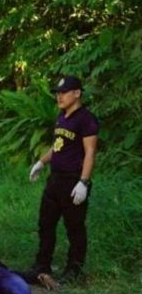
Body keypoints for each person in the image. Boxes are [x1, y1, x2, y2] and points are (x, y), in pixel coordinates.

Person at [28, 76, 98, 282]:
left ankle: (74, 270)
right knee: (46, 223)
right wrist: (41, 162)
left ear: (77, 93)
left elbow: (90, 152)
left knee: (74, 227)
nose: (59, 96)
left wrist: (83, 182)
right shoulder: (62, 117)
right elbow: (58, 146)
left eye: (63, 92)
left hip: (73, 180)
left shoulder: (86, 119)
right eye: (57, 92)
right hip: (55, 180)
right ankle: (42, 265)